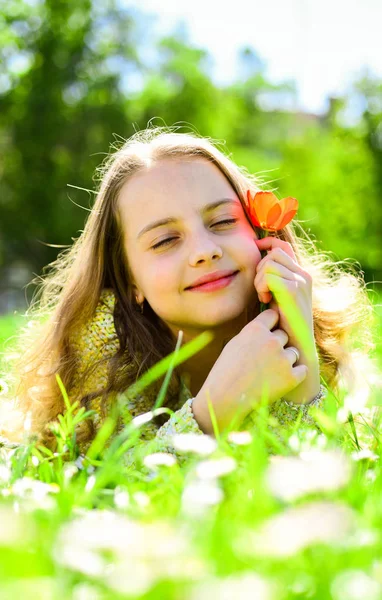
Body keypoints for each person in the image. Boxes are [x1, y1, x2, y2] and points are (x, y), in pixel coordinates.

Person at [0, 127, 377, 465]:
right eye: (165, 240)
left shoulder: (315, 325)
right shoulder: (102, 352)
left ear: (262, 233)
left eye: (223, 221)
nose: (204, 250)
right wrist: (213, 409)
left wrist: (303, 358)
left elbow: (326, 488)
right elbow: (124, 489)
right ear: (130, 280)